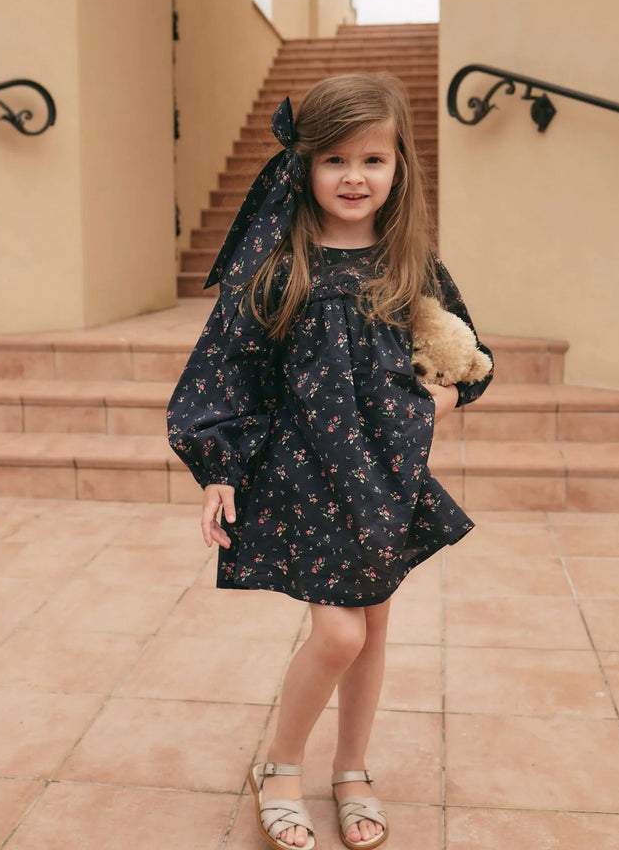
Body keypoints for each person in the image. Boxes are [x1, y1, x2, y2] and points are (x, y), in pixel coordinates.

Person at [167, 74, 493, 850]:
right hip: (303, 473)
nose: (354, 177)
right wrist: (218, 466)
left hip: (385, 476)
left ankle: (350, 770)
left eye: (372, 159)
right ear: (304, 166)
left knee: (372, 626)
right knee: (340, 635)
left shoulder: (409, 263)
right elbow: (226, 372)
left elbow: (463, 354)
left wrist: (441, 402)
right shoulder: (277, 266)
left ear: (398, 166)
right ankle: (279, 766)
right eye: (335, 160)